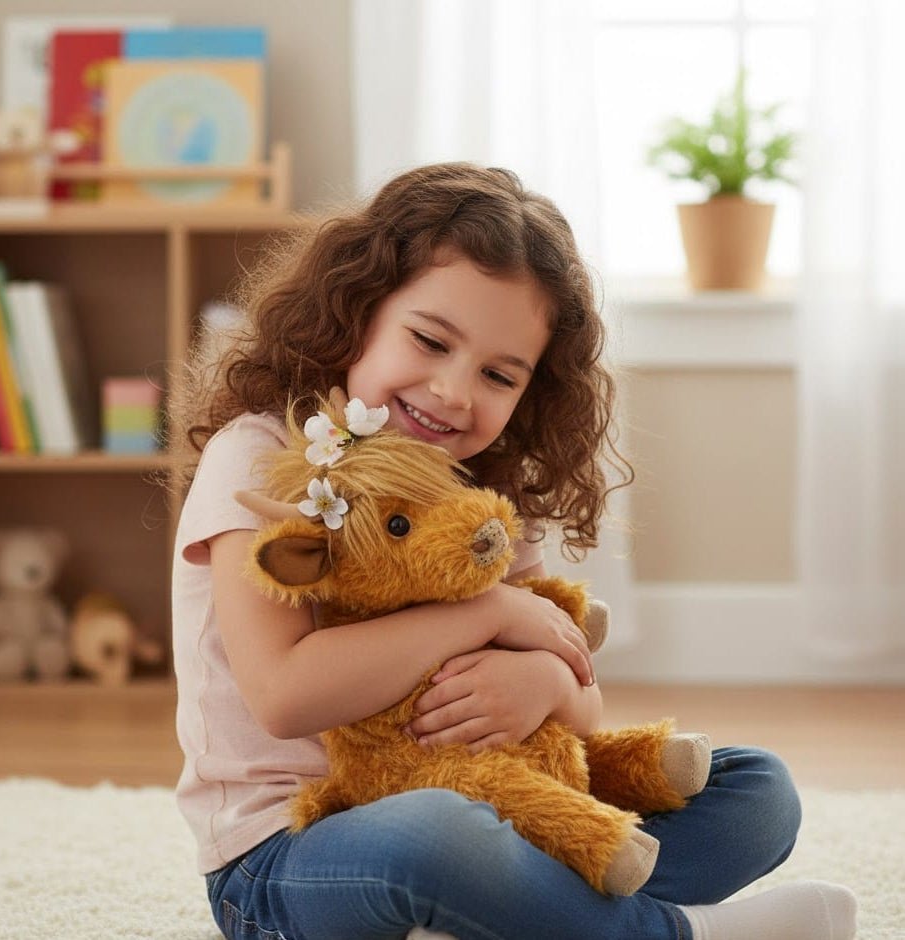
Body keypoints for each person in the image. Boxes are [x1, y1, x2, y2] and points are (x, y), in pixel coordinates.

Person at [171, 163, 856, 940]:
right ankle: (672, 933)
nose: (453, 391)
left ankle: (502, 912)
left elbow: (583, 710)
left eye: (498, 375)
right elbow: (283, 694)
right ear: (358, 309)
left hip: (501, 811)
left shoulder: (485, 495)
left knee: (758, 793)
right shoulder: (260, 457)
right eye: (430, 340)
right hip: (291, 855)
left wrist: (542, 682)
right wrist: (486, 613)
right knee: (436, 835)